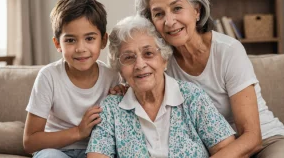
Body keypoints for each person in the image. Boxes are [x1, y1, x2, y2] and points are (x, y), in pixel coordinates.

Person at [135, 0, 284, 158]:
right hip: (211, 148)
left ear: (196, 10)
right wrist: (120, 89)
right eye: (158, 14)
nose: (169, 21)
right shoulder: (160, 63)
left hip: (265, 143)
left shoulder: (227, 50)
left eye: (177, 8)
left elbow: (252, 137)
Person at [86, 15, 235, 158]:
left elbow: (228, 150)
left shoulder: (192, 97)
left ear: (164, 59)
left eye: (148, 53)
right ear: (120, 69)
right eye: (129, 57)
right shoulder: (111, 109)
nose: (140, 65)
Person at [23, 0, 121, 158]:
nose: (80, 48)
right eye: (70, 40)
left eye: (89, 38)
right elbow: (29, 142)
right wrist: (78, 132)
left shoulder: (112, 76)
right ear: (57, 44)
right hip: (56, 150)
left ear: (103, 40)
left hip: (98, 151)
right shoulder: (48, 77)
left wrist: (121, 98)